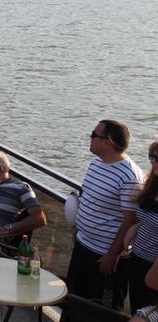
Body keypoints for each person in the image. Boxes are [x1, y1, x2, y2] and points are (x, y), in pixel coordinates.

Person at [67, 119, 144, 308]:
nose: (89, 138)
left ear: (107, 142)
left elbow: (130, 222)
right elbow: (88, 200)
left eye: (93, 135)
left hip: (104, 257)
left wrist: (112, 255)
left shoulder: (129, 177)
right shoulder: (95, 164)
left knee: (100, 309)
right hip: (83, 245)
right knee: (73, 301)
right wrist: (78, 230)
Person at [123, 140, 158, 311]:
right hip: (136, 259)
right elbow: (146, 218)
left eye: (157, 158)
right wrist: (133, 231)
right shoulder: (152, 188)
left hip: (154, 268)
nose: (153, 162)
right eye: (152, 157)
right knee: (136, 308)